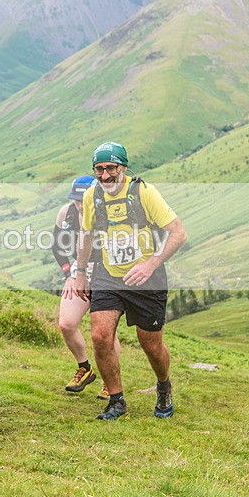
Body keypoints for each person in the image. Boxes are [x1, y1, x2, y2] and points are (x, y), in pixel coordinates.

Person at [72, 142, 187, 420]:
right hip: (108, 275)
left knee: (151, 345)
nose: (105, 175)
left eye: (111, 168)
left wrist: (151, 263)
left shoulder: (143, 192)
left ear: (123, 167)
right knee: (100, 336)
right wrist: (80, 272)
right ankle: (116, 400)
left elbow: (178, 233)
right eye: (99, 169)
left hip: (146, 279)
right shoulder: (92, 196)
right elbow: (86, 235)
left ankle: (163, 386)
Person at [51, 175, 121, 400]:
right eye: (76, 200)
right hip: (78, 271)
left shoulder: (109, 213)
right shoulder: (66, 213)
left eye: (83, 200)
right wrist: (68, 274)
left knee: (106, 331)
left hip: (106, 273)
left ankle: (111, 383)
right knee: (66, 324)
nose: (80, 205)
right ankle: (85, 368)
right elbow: (57, 245)